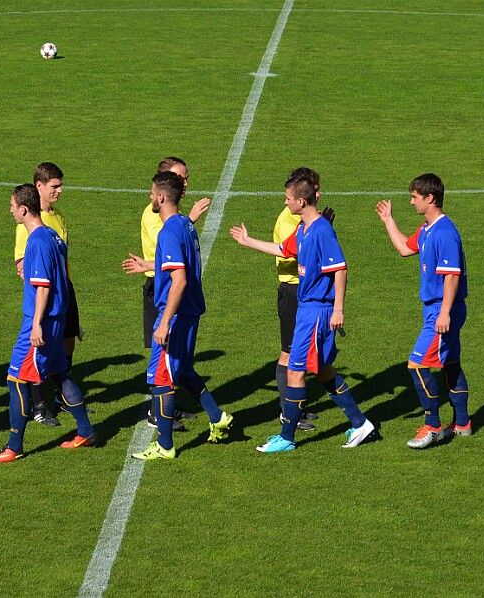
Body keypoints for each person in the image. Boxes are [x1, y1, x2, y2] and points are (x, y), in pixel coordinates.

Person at [230, 176, 374, 452]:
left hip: (317, 311)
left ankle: (287, 437)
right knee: (322, 371)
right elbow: (283, 251)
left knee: (295, 374)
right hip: (308, 308)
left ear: (301, 201)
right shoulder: (302, 228)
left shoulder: (321, 231)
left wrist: (339, 309)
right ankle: (360, 423)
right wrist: (248, 242)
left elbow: (340, 269)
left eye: (288, 198)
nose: (284, 202)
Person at [0, 184, 96, 463]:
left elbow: (43, 287)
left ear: (23, 208)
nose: (10, 210)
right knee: (59, 374)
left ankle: (13, 446)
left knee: (16, 381)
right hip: (56, 319)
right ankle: (86, 431)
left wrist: (36, 325)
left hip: (41, 322)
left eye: (12, 206)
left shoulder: (37, 240)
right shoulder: (53, 236)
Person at [126, 171, 233, 460]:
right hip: (190, 312)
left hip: (175, 314)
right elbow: (177, 263)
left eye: (152, 193)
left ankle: (164, 444)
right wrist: (148, 264)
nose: (150, 198)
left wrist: (163, 322)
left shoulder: (170, 231)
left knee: (161, 378)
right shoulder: (185, 224)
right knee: (183, 370)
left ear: (161, 197)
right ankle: (217, 416)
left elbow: (179, 279)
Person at [375, 173, 470, 448]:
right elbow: (405, 248)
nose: (411, 201)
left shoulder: (445, 232)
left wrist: (444, 314)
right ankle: (462, 423)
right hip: (437, 309)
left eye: (415, 197)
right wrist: (388, 221)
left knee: (417, 364)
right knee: (450, 362)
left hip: (443, 310)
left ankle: (433, 427)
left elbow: (452, 276)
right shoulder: (427, 229)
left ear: (430, 198)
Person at [123, 157, 210, 432]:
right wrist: (191, 220)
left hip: (172, 288)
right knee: (161, 355)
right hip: (160, 289)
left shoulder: (174, 214)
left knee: (173, 360)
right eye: (181, 178)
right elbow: (170, 253)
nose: (186, 183)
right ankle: (156, 413)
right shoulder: (156, 215)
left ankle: (171, 408)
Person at [12, 162, 78, 427]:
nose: (60, 190)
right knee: (37, 357)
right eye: (55, 186)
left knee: (68, 343)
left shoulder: (58, 216)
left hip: (64, 291)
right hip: (46, 299)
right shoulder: (28, 225)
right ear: (39, 186)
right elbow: (21, 263)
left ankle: (63, 400)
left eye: (61, 185)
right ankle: (39, 406)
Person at [271, 168, 333, 432]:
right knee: (288, 354)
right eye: (315, 189)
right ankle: (288, 413)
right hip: (294, 291)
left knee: (305, 355)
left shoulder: (305, 219)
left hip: (306, 293)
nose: (318, 194)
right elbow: (296, 253)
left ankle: (296, 408)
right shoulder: (290, 221)